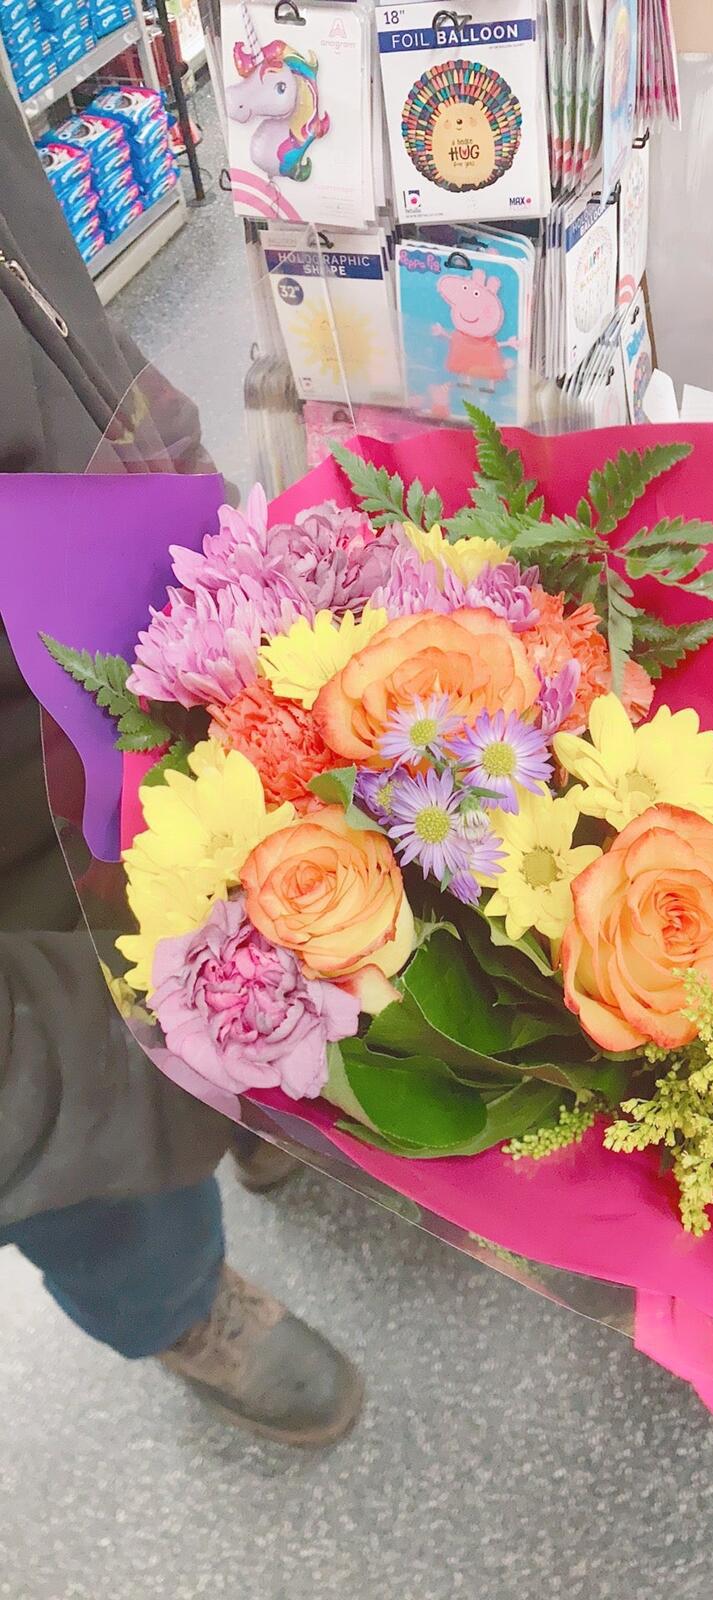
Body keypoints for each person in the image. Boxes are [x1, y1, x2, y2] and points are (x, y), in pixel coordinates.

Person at [0, 78, 362, 1445]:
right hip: (21, 923)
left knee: (267, 938)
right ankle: (179, 1302)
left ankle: (250, 1101)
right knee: (118, 1190)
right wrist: (150, 1064)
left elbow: (39, 282)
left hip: (104, 644)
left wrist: (158, 453)